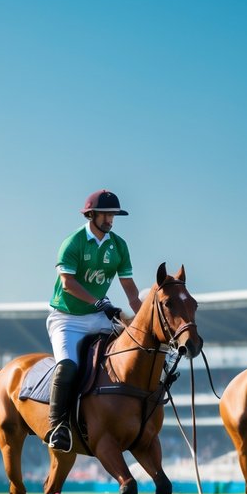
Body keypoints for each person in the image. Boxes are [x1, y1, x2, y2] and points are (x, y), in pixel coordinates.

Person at [44, 189, 143, 452]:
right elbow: (67, 284)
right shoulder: (73, 242)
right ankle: (58, 426)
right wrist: (100, 302)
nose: (110, 219)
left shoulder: (119, 245)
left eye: (113, 215)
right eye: (106, 214)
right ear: (91, 214)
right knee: (67, 366)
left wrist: (142, 319)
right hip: (67, 318)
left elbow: (130, 289)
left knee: (130, 354)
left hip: (98, 315)